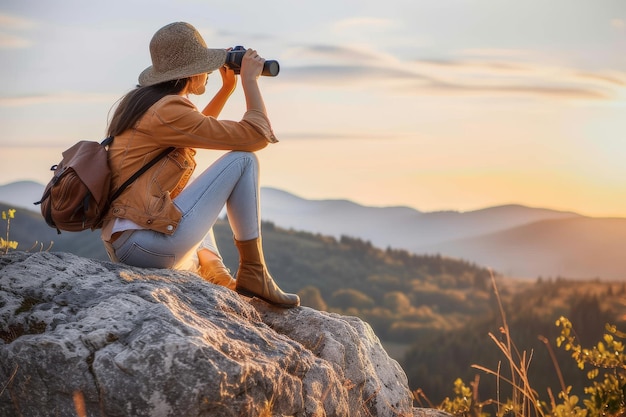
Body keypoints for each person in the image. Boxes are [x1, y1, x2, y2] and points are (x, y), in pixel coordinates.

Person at [101, 21, 299, 308]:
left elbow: (191, 136)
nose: (209, 71)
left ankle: (218, 275)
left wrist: (226, 89)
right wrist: (250, 82)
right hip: (143, 246)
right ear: (191, 73)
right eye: (206, 67)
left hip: (129, 242)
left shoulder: (146, 103)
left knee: (185, 196)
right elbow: (255, 136)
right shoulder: (168, 109)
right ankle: (255, 273)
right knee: (243, 160)